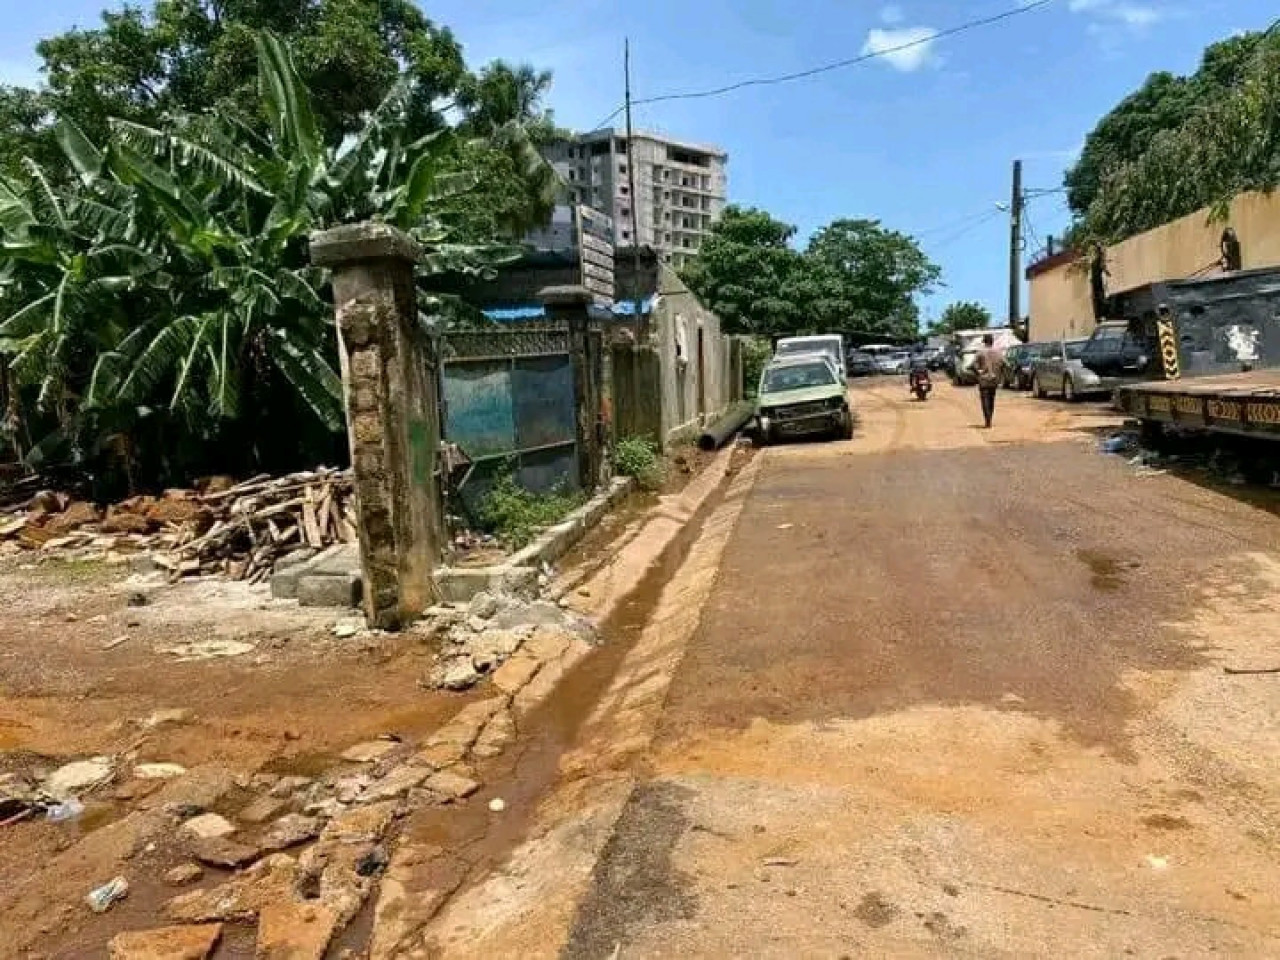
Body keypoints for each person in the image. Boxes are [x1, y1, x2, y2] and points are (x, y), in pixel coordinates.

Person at [972, 333, 1006, 428]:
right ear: (992, 341)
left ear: (984, 342)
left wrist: (978, 372)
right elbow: (1005, 364)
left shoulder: (980, 352)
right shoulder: (998, 352)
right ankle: (990, 418)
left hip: (983, 379)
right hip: (994, 379)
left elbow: (973, 365)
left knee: (985, 401)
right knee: (991, 400)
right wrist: (1000, 374)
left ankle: (987, 420)